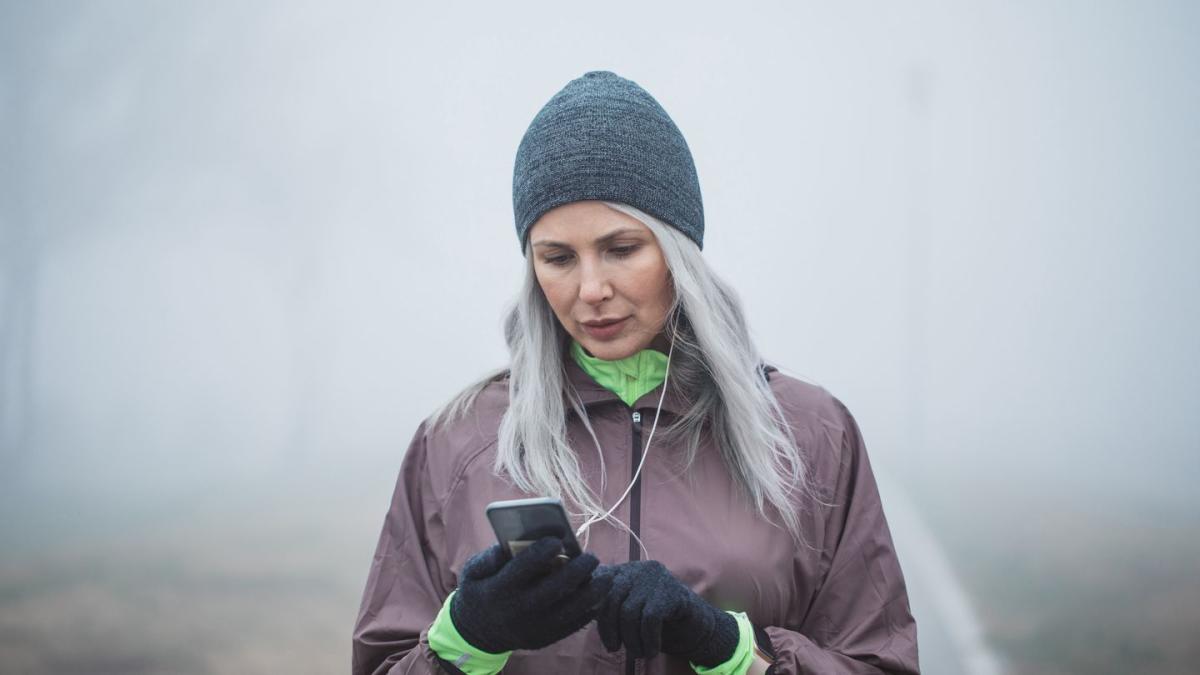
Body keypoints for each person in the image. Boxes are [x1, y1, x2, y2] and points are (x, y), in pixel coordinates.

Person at [352, 70, 919, 675]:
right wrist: (465, 639)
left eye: (622, 248)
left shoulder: (808, 433)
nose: (591, 289)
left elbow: (878, 662)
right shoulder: (457, 441)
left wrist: (730, 651)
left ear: (679, 252)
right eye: (558, 258)